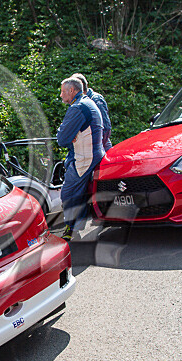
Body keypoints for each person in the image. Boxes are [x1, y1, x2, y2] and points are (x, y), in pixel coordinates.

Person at [56, 74, 106, 241]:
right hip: (94, 155)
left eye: (63, 92)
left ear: (72, 90)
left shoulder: (77, 108)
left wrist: (65, 133)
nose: (61, 95)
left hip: (84, 158)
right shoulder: (89, 102)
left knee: (68, 193)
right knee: (80, 191)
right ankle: (77, 227)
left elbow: (62, 139)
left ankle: (71, 229)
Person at [75, 73, 112, 151]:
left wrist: (96, 147)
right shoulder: (79, 102)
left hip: (101, 148)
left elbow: (106, 127)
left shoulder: (95, 99)